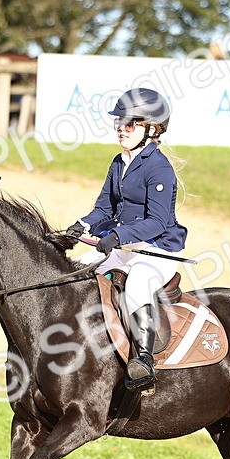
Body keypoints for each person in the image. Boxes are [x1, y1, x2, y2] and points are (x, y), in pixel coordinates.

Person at [56, 87, 188, 391]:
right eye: (120, 123)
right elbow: (104, 207)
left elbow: (156, 222)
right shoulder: (119, 162)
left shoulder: (159, 169)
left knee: (137, 285)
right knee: (77, 270)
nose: (121, 129)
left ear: (151, 129)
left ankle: (144, 361)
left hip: (154, 250)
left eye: (130, 124)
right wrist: (80, 226)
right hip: (122, 246)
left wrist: (117, 235)